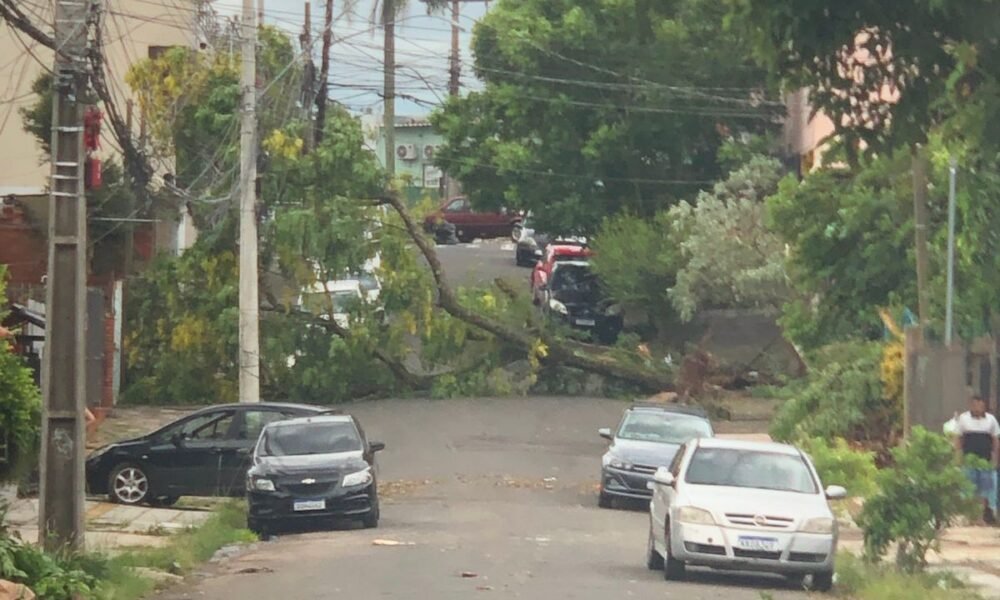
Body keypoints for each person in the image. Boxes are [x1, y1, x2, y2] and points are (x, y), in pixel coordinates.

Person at [954, 395, 1000, 524]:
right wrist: (958, 456)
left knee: (985, 490)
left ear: (984, 406)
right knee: (967, 489)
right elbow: (958, 438)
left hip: (985, 461)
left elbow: (995, 440)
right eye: (974, 405)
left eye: (980, 405)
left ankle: (981, 517)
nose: (977, 408)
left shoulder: (991, 420)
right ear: (970, 405)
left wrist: (995, 458)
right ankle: (968, 517)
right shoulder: (963, 419)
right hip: (968, 460)